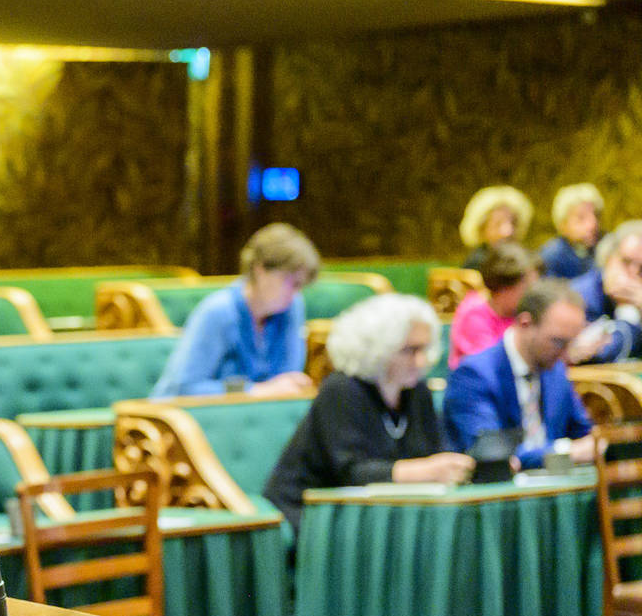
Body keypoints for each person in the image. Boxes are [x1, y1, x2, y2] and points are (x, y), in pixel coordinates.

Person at [265, 295, 473, 532]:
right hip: (317, 513)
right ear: (377, 350)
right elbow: (351, 473)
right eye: (409, 350)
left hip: (386, 512)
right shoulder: (341, 389)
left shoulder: (417, 391)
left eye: (424, 349)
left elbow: (437, 450)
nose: (421, 361)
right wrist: (427, 471)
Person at [151, 223, 320, 398]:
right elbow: (183, 388)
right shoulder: (218, 311)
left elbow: (287, 380)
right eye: (290, 281)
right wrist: (255, 390)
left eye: (300, 285)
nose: (295, 293)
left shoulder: (292, 307)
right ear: (260, 269)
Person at [443, 278, 596, 471]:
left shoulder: (555, 370)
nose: (566, 354)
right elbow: (490, 454)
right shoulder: (474, 374)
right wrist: (564, 451)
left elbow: (585, 434)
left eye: (571, 344)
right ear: (525, 323)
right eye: (558, 342)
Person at [448, 241, 536, 368]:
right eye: (526, 287)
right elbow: (491, 365)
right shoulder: (474, 313)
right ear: (504, 287)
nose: (531, 294)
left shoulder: (520, 312)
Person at [567, 219, 642, 364]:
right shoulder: (579, 296)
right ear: (608, 258)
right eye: (626, 262)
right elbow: (598, 356)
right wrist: (629, 317)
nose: (633, 273)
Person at [458, 185, 532, 271]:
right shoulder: (475, 266)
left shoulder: (524, 261)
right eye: (498, 224)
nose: (508, 231)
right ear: (481, 228)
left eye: (513, 223)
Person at [539, 183, 604, 280]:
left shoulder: (605, 247)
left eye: (596, 215)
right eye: (581, 218)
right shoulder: (551, 256)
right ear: (563, 224)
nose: (593, 224)